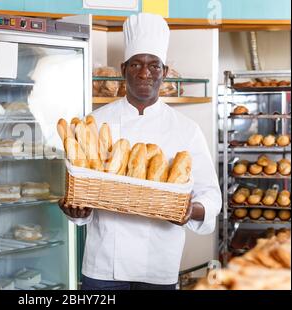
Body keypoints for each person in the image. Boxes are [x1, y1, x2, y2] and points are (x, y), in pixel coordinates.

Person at [58, 13, 222, 290]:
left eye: (154, 66)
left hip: (159, 263)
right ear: (124, 69)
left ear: (165, 72)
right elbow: (85, 194)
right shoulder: (95, 122)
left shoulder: (186, 129)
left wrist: (188, 211)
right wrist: (77, 210)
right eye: (136, 64)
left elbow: (211, 196)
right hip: (103, 263)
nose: (145, 73)